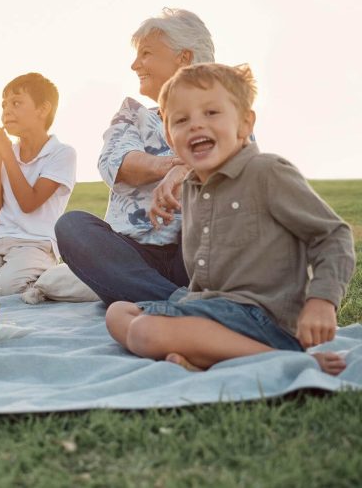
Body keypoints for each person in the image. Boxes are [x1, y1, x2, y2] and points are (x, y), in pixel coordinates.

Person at [105, 63, 354, 374]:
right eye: (181, 120)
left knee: (144, 332)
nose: (196, 125)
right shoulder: (194, 186)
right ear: (169, 135)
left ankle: (285, 360)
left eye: (211, 113)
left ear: (245, 123)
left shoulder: (266, 171)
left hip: (262, 319)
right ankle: (205, 354)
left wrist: (322, 301)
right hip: (209, 307)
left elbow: (332, 236)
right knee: (117, 313)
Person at [55, 8, 214, 305]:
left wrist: (183, 173)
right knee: (71, 226)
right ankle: (180, 305)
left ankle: (167, 304)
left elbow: (236, 167)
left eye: (146, 54)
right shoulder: (132, 115)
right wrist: (171, 165)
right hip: (133, 257)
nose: (134, 64)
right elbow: (115, 163)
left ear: (184, 57)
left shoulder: (224, 114)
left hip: (197, 252)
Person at [0, 73, 76, 294]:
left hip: (35, 243)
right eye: (4, 104)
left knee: (6, 290)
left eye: (16, 103)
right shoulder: (7, 153)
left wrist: (5, 152)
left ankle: (48, 277)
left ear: (43, 109)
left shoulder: (62, 153)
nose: (6, 111)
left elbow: (29, 202)